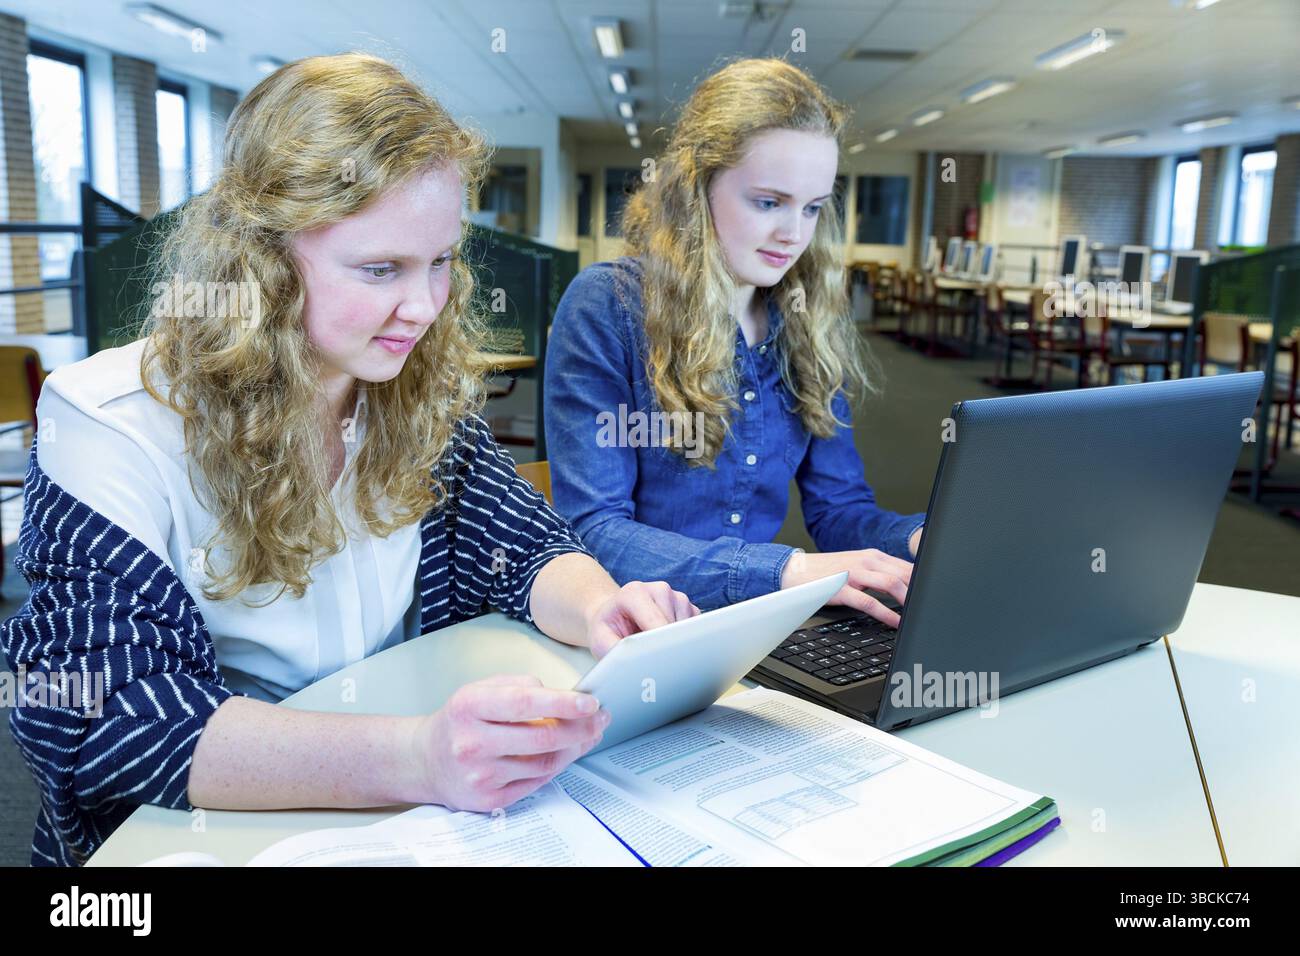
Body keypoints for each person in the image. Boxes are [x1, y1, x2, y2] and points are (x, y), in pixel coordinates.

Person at [0, 53, 695, 867]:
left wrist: (599, 607)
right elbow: (103, 714)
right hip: (198, 835)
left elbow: (523, 546)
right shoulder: (108, 421)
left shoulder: (404, 379)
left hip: (398, 819)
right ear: (262, 261)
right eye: (380, 269)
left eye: (440, 261)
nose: (426, 306)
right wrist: (419, 758)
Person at [545, 57, 925, 624]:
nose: (793, 234)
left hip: (751, 626)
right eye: (769, 202)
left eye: (813, 208)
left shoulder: (803, 319)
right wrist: (786, 572)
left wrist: (919, 539)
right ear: (697, 188)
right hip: (639, 633)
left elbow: (840, 510)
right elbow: (594, 533)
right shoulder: (609, 307)